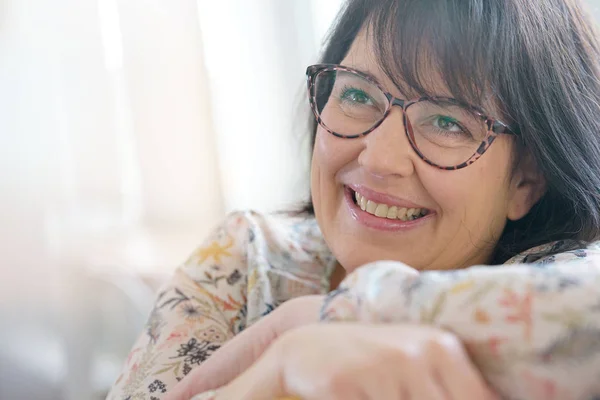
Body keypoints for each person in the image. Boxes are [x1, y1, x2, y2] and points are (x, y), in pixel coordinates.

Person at [107, 0, 600, 399]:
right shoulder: (249, 259)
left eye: (448, 122)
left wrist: (343, 313)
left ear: (526, 184)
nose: (381, 157)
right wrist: (275, 371)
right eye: (359, 95)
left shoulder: (565, 283)